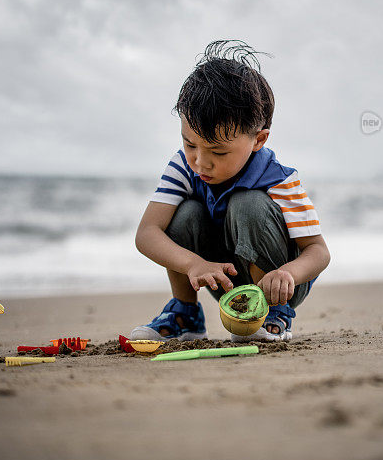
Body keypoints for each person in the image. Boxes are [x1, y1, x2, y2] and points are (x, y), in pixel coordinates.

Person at [130, 39, 330, 343]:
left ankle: (273, 314)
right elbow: (147, 234)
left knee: (247, 203)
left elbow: (318, 251)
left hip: (280, 284)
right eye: (189, 144)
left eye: (218, 153)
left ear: (258, 140)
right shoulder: (184, 166)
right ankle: (185, 314)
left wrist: (288, 274)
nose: (200, 162)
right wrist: (193, 264)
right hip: (222, 274)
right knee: (184, 214)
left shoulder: (277, 178)